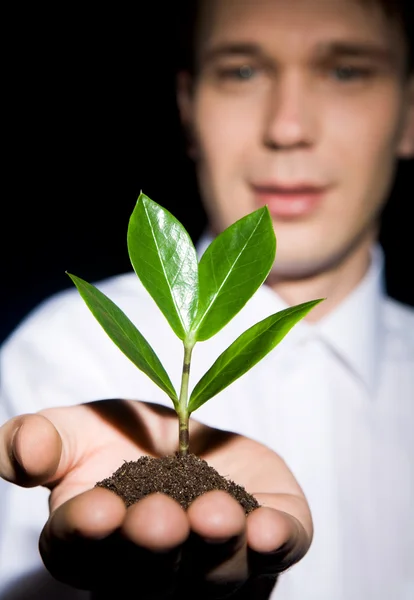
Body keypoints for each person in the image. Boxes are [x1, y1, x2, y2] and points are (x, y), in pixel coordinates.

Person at [1, 0, 414, 598]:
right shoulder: (58, 358)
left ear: (409, 111)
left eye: (346, 70)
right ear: (188, 108)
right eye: (242, 71)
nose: (287, 127)